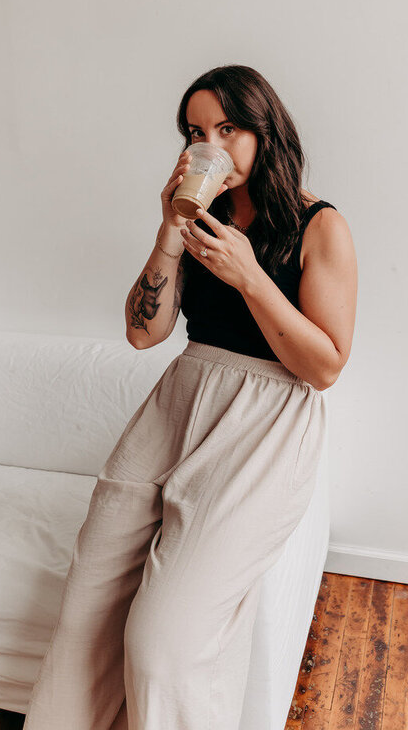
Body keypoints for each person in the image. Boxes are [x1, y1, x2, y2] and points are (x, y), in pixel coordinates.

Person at [22, 63, 358, 730]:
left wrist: (251, 276)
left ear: (267, 133)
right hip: (181, 400)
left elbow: (324, 367)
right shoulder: (199, 219)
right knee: (88, 598)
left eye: (227, 128)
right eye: (195, 131)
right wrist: (168, 235)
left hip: (265, 420)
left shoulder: (320, 226)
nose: (209, 143)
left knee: (163, 642)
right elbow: (143, 334)